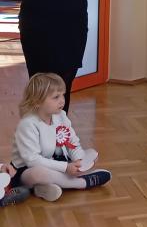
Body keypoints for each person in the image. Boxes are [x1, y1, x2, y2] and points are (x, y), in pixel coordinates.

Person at [10, 73, 112, 201]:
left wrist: (78, 160)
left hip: (56, 161)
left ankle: (43, 188)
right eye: (56, 97)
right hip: (28, 169)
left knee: (92, 154)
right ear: (38, 101)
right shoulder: (28, 124)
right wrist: (65, 167)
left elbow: (72, 142)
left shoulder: (61, 116)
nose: (62, 100)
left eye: (63, 95)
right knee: (39, 173)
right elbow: (33, 160)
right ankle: (81, 183)